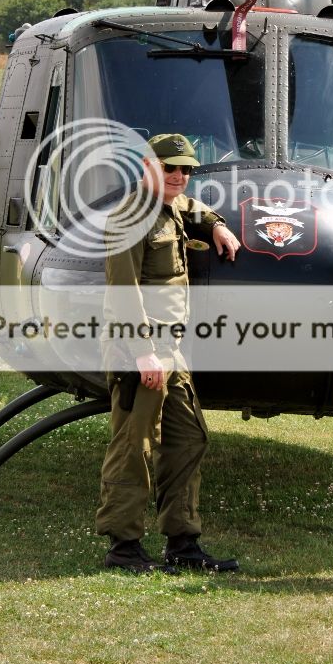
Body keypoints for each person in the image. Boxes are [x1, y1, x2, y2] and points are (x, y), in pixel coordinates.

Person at [95, 133, 241, 574]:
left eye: (186, 169)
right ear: (147, 168)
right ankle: (123, 546)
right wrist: (142, 355)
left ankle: (183, 541)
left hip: (170, 351)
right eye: (169, 168)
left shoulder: (170, 205)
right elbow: (124, 291)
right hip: (139, 352)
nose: (179, 176)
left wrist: (215, 222)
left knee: (188, 437)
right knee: (134, 445)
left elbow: (189, 206)